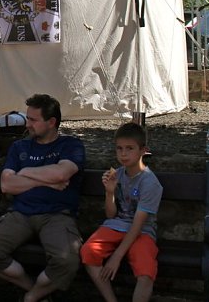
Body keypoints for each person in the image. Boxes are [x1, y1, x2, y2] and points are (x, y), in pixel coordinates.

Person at [0, 94, 85, 302]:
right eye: (28, 118)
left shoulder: (71, 145)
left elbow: (62, 174)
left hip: (57, 215)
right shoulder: (20, 147)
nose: (28, 124)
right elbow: (6, 184)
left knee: (66, 260)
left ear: (51, 122)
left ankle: (31, 297)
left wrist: (24, 172)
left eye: (33, 120)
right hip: (20, 214)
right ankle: (35, 289)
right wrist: (46, 180)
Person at [80, 123, 162, 302]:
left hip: (141, 231)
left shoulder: (150, 183)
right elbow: (110, 215)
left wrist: (116, 257)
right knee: (88, 251)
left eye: (129, 148)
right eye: (119, 149)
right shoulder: (117, 174)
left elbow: (138, 225)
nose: (123, 154)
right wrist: (109, 191)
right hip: (116, 225)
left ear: (143, 150)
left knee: (145, 271)